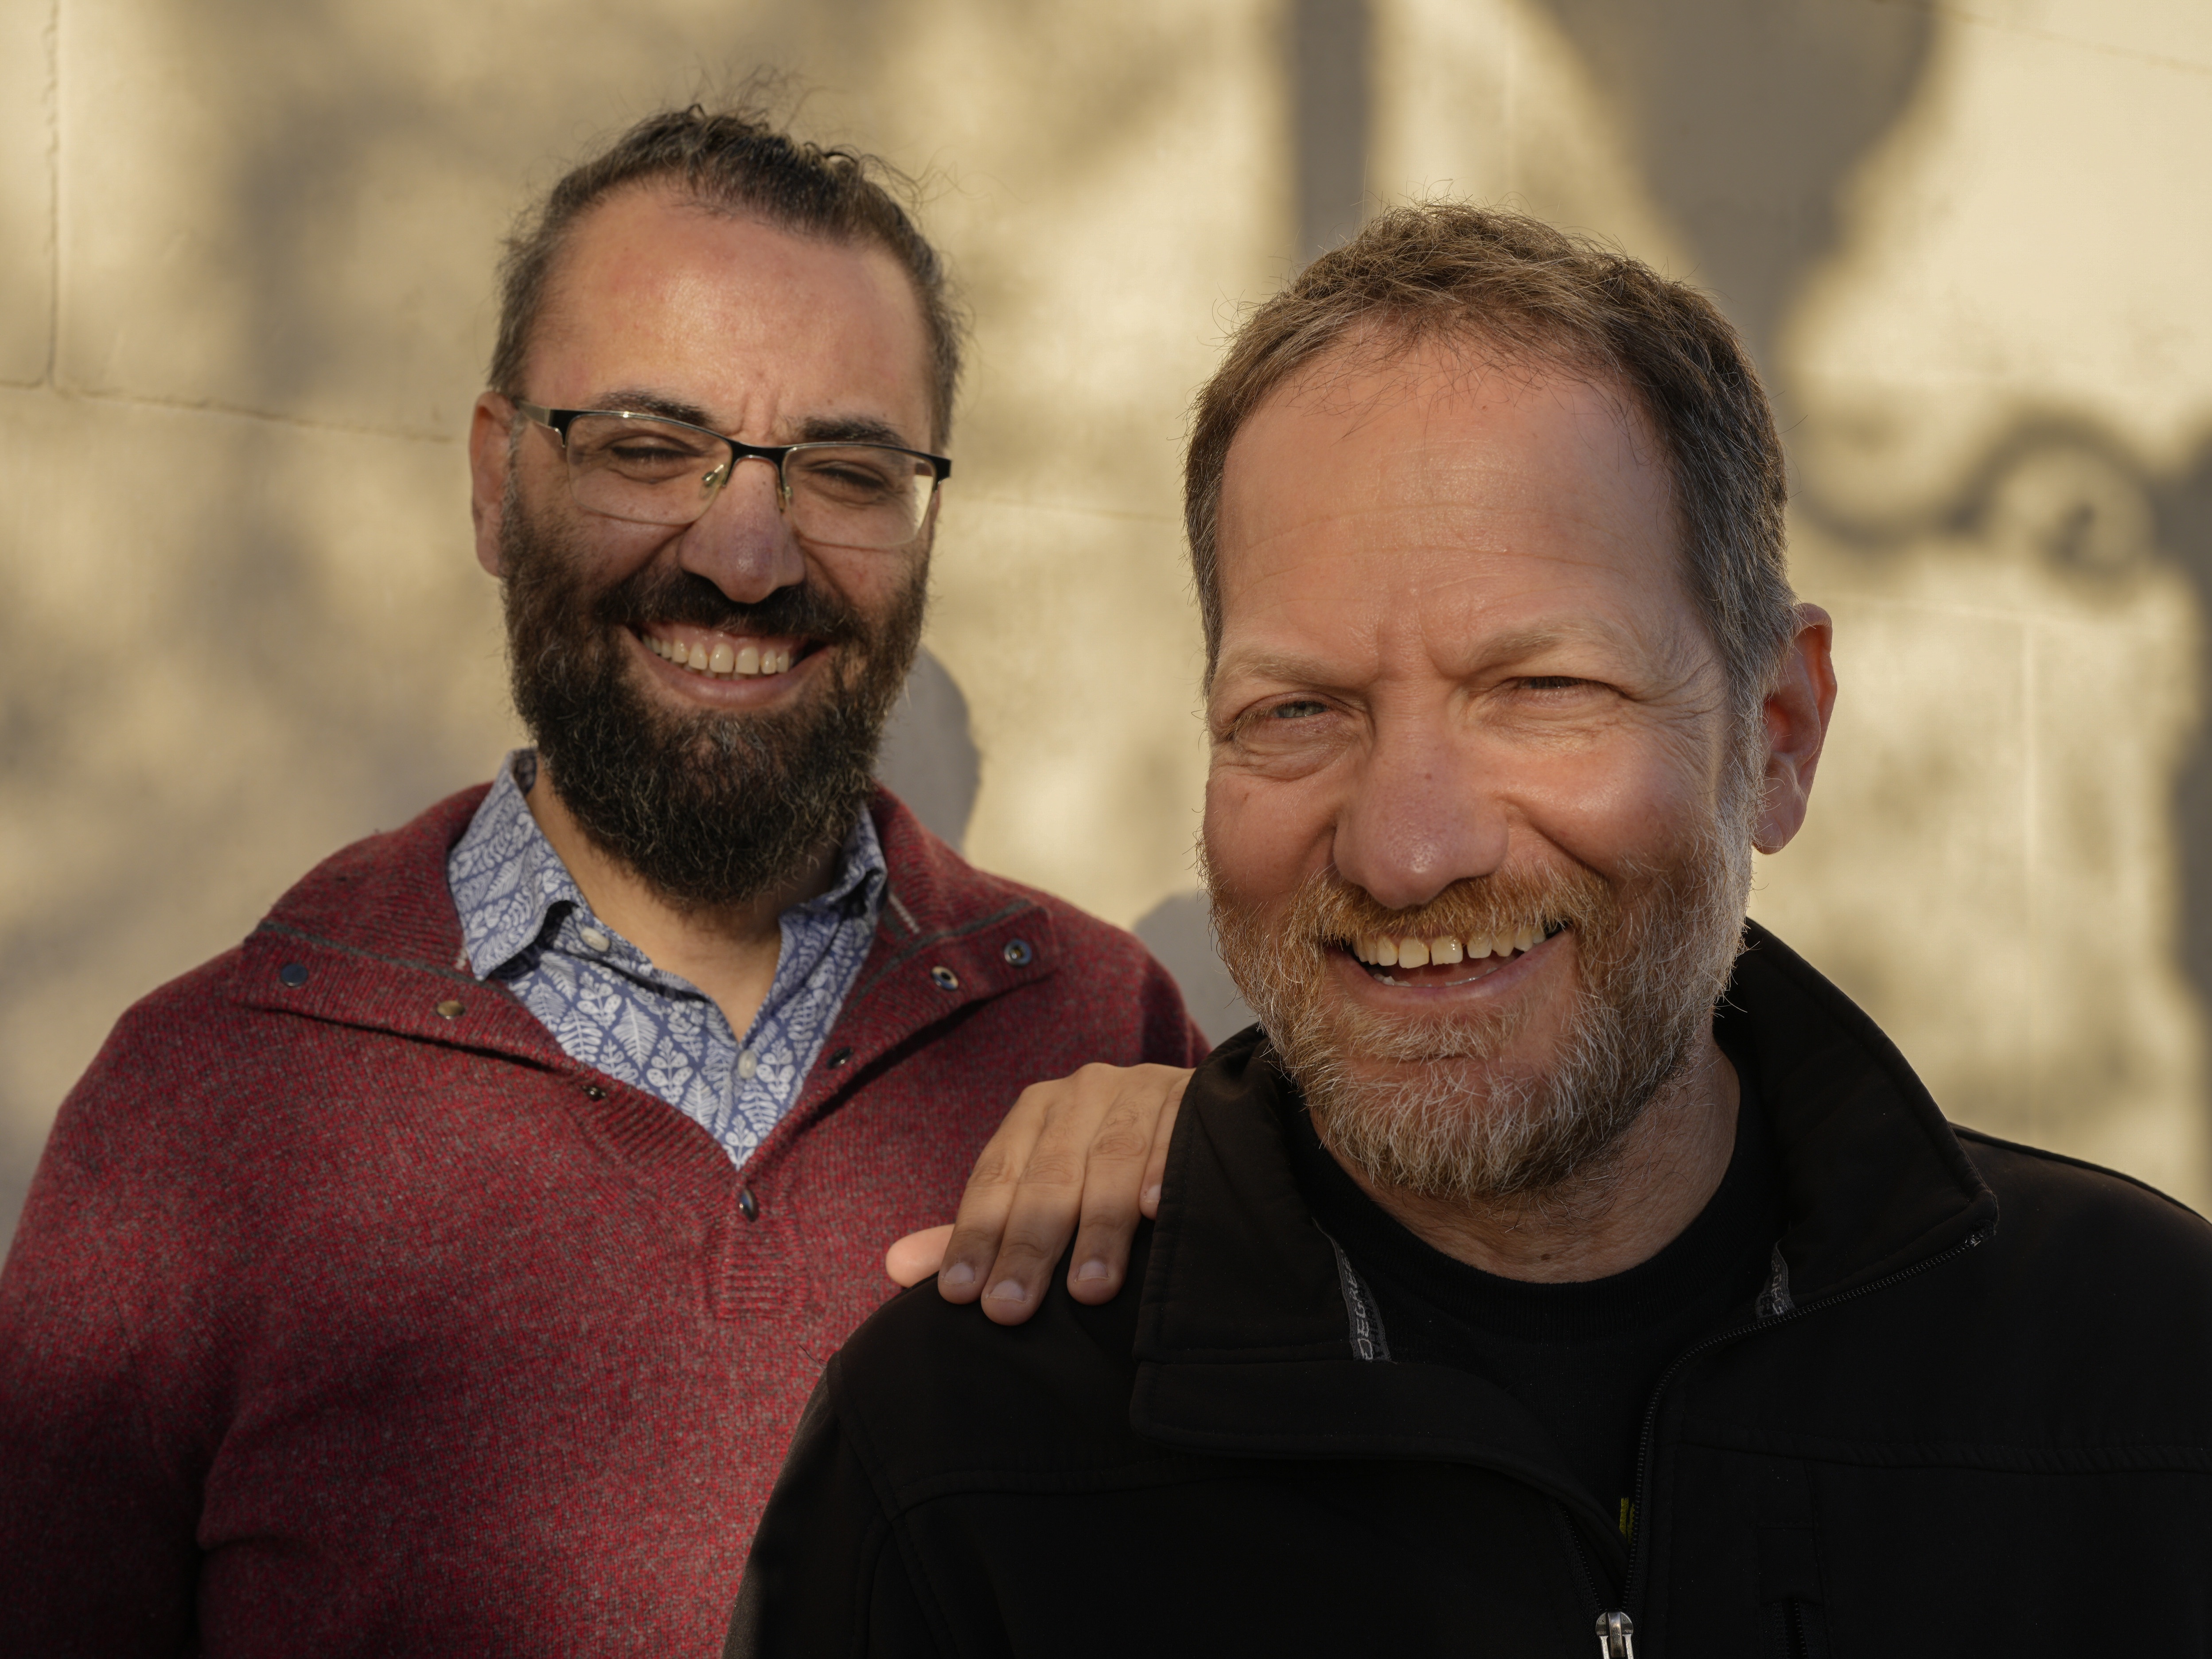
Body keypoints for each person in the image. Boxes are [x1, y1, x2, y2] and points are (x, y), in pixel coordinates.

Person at [731, 204, 2212, 1656]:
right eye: (1295, 711)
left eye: (1542, 691)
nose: (1407, 848)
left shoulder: (2144, 1374)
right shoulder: (962, 1461)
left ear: (1775, 736)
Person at [0, 105, 1209, 1657]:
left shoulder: (1102, 1034)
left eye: (846, 470)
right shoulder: (194, 1119)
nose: (751, 554)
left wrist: (1256, 1170)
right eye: (650, 447)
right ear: (499, 482)